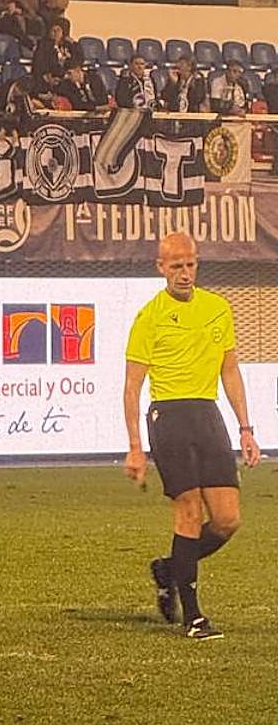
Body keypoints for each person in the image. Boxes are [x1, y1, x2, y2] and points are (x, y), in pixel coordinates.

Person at [122, 232, 260, 641]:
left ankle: (169, 569)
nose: (185, 273)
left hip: (207, 414)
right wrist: (135, 447)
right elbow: (131, 387)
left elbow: (229, 370)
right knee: (188, 511)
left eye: (190, 264)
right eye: (176, 266)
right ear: (161, 268)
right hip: (169, 416)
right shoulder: (149, 317)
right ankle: (194, 618)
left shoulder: (218, 308)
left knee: (228, 520)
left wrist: (246, 428)